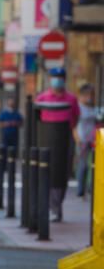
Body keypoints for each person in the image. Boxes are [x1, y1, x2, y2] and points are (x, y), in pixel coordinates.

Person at [36, 67, 80, 220]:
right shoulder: (42, 99)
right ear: (49, 79)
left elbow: (75, 119)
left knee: (61, 175)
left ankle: (57, 205)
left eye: (60, 77)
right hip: (46, 141)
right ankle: (49, 207)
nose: (57, 80)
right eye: (54, 77)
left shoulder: (71, 100)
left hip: (64, 142)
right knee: (46, 172)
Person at [75, 83, 97, 198]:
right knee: (83, 165)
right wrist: (77, 138)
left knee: (92, 165)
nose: (90, 97)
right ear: (82, 95)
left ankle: (90, 187)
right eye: (88, 95)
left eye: (92, 95)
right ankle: (80, 190)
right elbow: (74, 125)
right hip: (82, 140)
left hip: (94, 140)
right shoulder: (78, 107)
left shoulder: (93, 108)